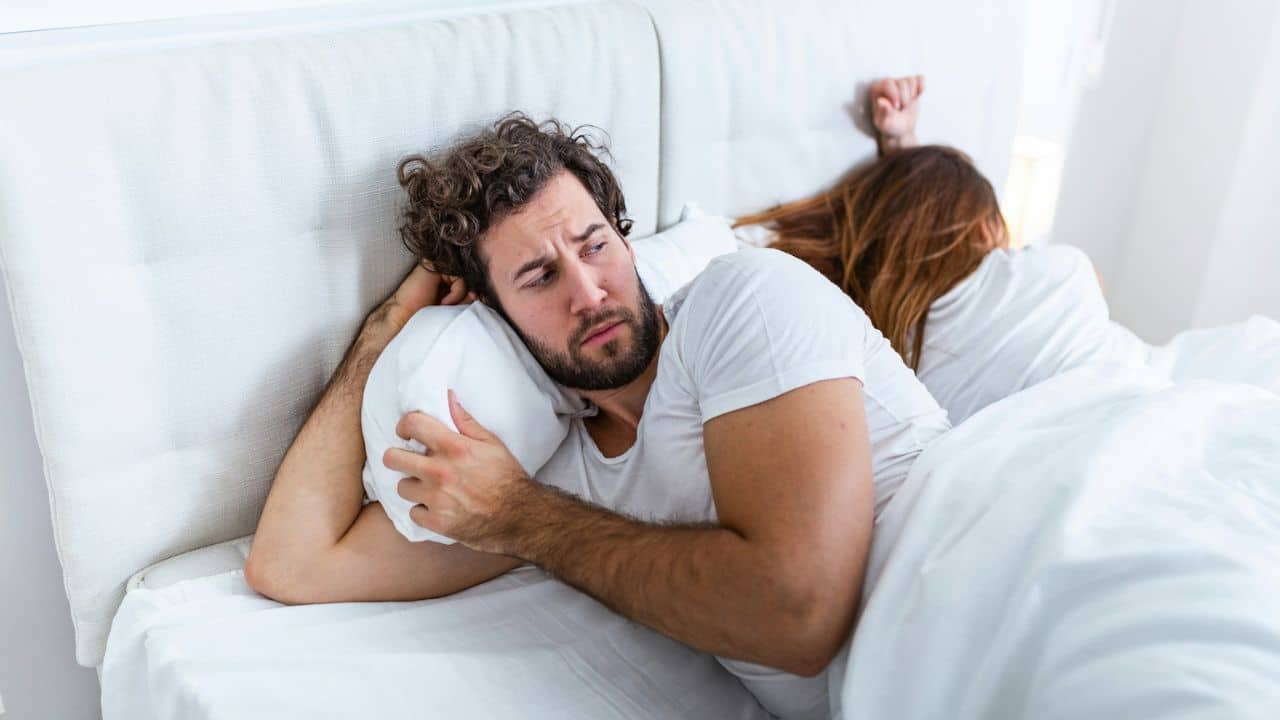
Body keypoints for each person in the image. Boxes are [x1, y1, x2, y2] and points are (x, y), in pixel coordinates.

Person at [245, 113, 950, 718]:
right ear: (491, 315)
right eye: (540, 277)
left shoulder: (744, 301)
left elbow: (798, 617)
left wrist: (518, 516)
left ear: (623, 237)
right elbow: (293, 563)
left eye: (595, 246)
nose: (589, 292)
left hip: (992, 585)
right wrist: (383, 333)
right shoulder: (550, 476)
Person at [736, 76, 1150, 425]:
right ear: (987, 227)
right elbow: (1097, 285)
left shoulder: (897, 358)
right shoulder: (1061, 271)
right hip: (1136, 413)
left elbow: (917, 230)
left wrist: (905, 155)